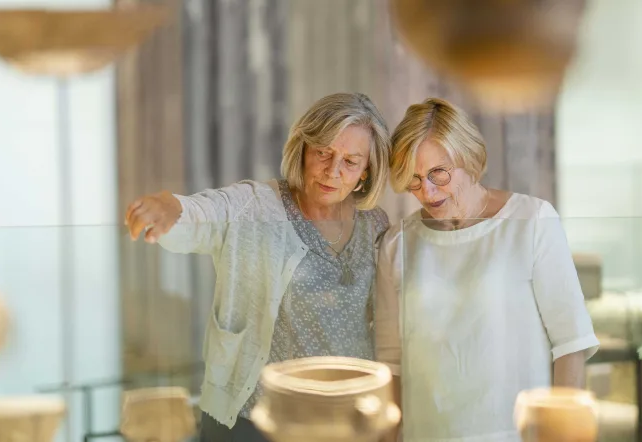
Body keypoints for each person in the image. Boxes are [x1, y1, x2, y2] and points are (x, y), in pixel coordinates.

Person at [124, 92, 391, 442]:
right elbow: (207, 212)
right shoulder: (256, 206)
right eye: (323, 153)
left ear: (366, 171)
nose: (333, 170)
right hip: (255, 420)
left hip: (342, 418)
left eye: (351, 161)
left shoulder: (375, 224)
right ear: (304, 149)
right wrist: (171, 208)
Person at [374, 98, 599, 442]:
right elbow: (390, 364)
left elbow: (571, 344)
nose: (427, 191)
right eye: (414, 180)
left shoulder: (532, 220)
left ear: (468, 157)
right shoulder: (396, 243)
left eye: (438, 173)